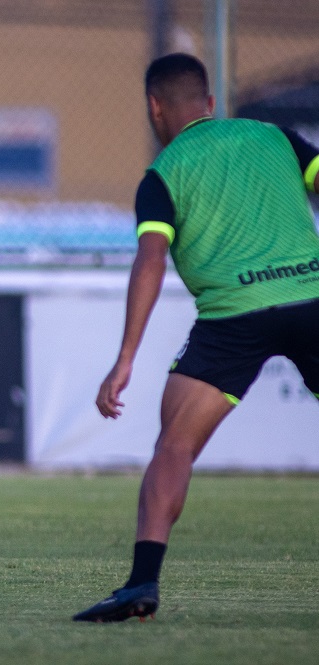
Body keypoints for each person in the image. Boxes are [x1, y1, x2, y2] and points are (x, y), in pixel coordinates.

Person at [74, 53, 319, 623]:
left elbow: (151, 259)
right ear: (209, 104)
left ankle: (141, 585)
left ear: (155, 108)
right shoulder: (275, 136)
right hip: (311, 299)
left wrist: (125, 359)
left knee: (175, 447)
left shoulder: (162, 174)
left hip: (233, 318)